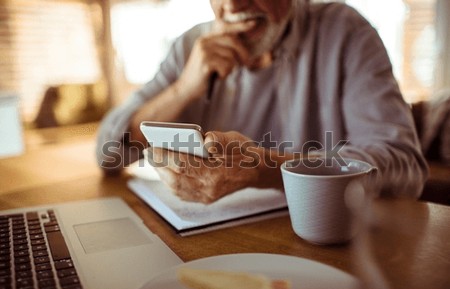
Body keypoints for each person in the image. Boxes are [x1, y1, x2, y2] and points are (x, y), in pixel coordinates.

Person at [96, 0, 428, 203]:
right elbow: (106, 151)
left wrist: (266, 167)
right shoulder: (191, 47)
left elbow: (404, 167)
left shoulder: (346, 33)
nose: (233, 6)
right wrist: (183, 89)